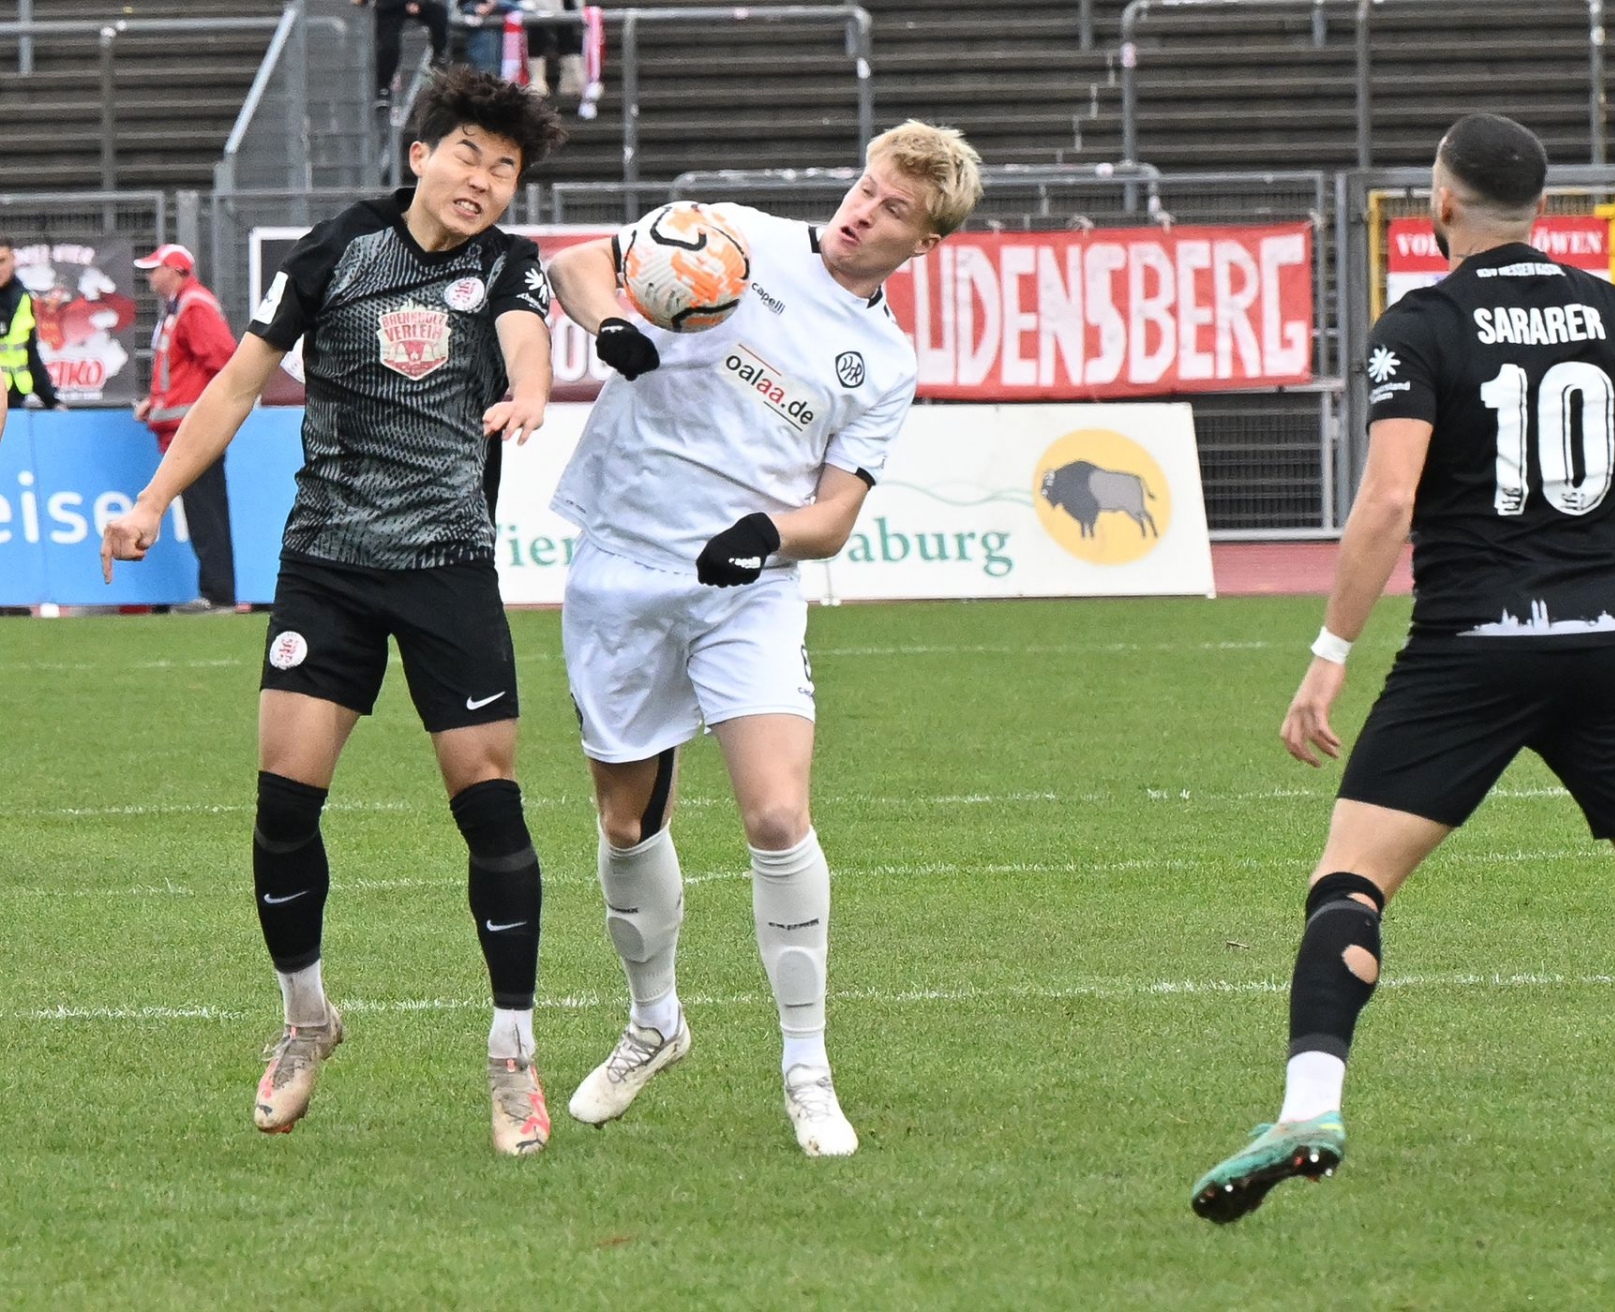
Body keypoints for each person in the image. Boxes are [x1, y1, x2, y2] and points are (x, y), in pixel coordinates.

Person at [1189, 113, 1615, 1222]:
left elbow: (1388, 499)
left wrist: (1329, 655)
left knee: (1349, 886)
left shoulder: (1420, 324)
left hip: (1471, 651)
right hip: (1609, 649)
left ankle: (1309, 1106)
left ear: (1441, 204)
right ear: (1542, 209)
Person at [101, 68, 568, 1156]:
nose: (485, 181)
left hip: (450, 566)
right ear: (421, 154)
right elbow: (234, 385)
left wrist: (534, 391)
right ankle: (307, 1019)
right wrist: (153, 502)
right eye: (469, 155)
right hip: (329, 564)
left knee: (489, 803)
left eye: (506, 169)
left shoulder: (507, 264)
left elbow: (525, 337)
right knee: (284, 804)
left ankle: (512, 1055)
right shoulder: (335, 249)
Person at [544, 121, 982, 1156]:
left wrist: (766, 536)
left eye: (894, 209)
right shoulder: (735, 235)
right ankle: (654, 1023)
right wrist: (613, 325)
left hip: (747, 591)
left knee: (779, 815)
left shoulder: (883, 363)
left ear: (925, 242)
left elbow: (833, 518)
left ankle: (807, 1068)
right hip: (622, 563)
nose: (863, 211)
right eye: (866, 187)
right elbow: (573, 266)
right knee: (624, 822)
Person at [133, 243, 240, 614]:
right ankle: (216, 592)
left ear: (175, 270)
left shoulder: (193, 306)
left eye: (155, 269)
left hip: (195, 432)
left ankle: (218, 594)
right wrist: (155, 402)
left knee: (206, 513)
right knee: (203, 512)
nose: (150, 276)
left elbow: (224, 361)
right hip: (187, 429)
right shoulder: (182, 307)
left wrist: (207, 415)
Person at [357, 0, 452, 114]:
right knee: (389, 45)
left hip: (410, 4)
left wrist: (417, 3)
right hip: (389, 7)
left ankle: (438, 55)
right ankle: (383, 88)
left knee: (439, 13)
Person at [0, 236, 62, 413]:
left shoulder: (22, 298)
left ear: (13, 259)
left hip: (14, 399)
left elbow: (30, 353)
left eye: (2, 261)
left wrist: (52, 401)